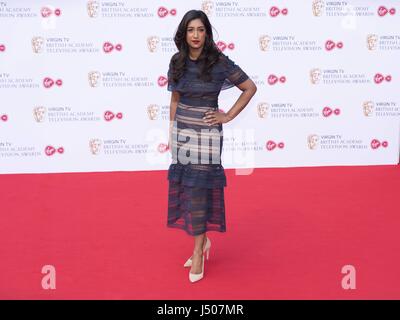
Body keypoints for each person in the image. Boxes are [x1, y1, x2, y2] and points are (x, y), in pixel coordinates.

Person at [166, 9, 257, 283]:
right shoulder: (177, 61)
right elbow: (174, 99)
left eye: (201, 30)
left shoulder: (218, 62)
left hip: (206, 135)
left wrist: (227, 115)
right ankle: (202, 243)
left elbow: (250, 87)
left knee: (200, 191)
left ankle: (197, 252)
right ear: (184, 33)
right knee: (188, 188)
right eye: (191, 30)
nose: (195, 35)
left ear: (207, 33)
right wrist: (172, 132)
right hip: (182, 132)